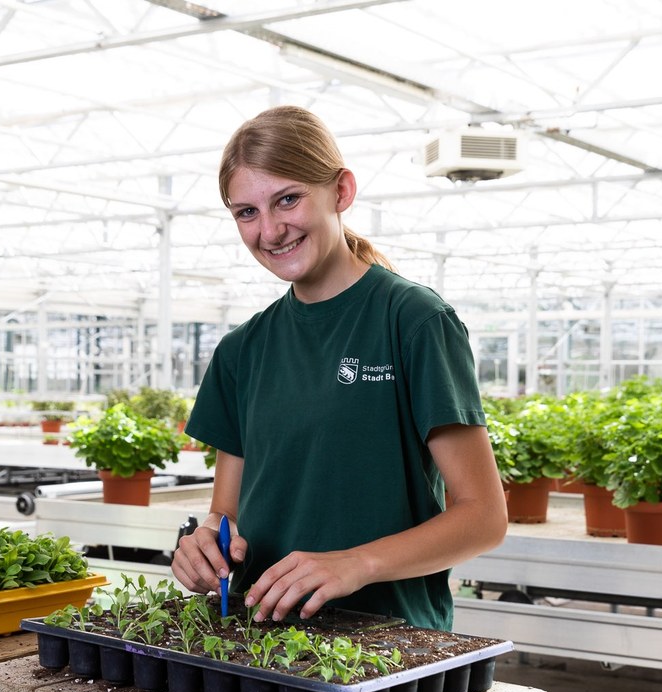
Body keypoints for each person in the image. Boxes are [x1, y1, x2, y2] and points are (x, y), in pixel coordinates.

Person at [170, 105, 506, 631]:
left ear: (341, 192)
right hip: (260, 639)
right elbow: (225, 515)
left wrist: (356, 563)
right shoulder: (242, 349)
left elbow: (483, 517)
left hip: (388, 643)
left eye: (287, 199)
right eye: (246, 212)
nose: (271, 230)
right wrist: (204, 545)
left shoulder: (413, 321)